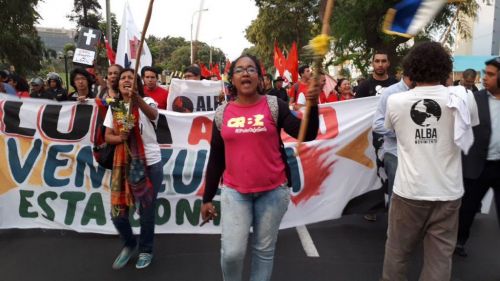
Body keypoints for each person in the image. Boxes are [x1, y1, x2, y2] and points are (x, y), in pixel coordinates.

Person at [201, 54, 319, 281]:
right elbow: (216, 157)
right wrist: (207, 198)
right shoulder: (222, 113)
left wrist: (313, 107)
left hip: (273, 193)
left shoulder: (275, 105)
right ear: (232, 80)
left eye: (251, 69)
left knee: (263, 251)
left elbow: (307, 133)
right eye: (240, 70)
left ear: (260, 78)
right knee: (232, 253)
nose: (246, 73)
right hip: (235, 193)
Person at [381, 41, 478, 281]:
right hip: (448, 192)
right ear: (445, 68)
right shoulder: (464, 98)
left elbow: (389, 129)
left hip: (409, 192)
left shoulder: (395, 101)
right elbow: (470, 126)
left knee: (397, 254)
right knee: (439, 260)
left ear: (411, 68)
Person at [103, 68, 163, 270]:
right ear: (118, 85)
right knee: (117, 213)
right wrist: (120, 138)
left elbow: (154, 115)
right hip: (124, 165)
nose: (126, 80)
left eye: (130, 77)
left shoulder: (148, 102)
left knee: (146, 211)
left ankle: (146, 250)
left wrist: (137, 100)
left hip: (150, 164)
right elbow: (108, 136)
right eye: (122, 78)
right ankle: (129, 243)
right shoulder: (115, 108)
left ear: (137, 84)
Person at [455, 58, 500, 257]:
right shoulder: (475, 99)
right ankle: (459, 242)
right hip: (477, 166)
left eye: (491, 74)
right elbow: (461, 129)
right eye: (485, 73)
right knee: (467, 210)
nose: (484, 79)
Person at [372, 75, 412, 204]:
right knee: (397, 198)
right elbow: (377, 124)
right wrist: (400, 132)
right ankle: (393, 224)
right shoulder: (390, 92)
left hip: (417, 155)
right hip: (395, 154)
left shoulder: (422, 91)